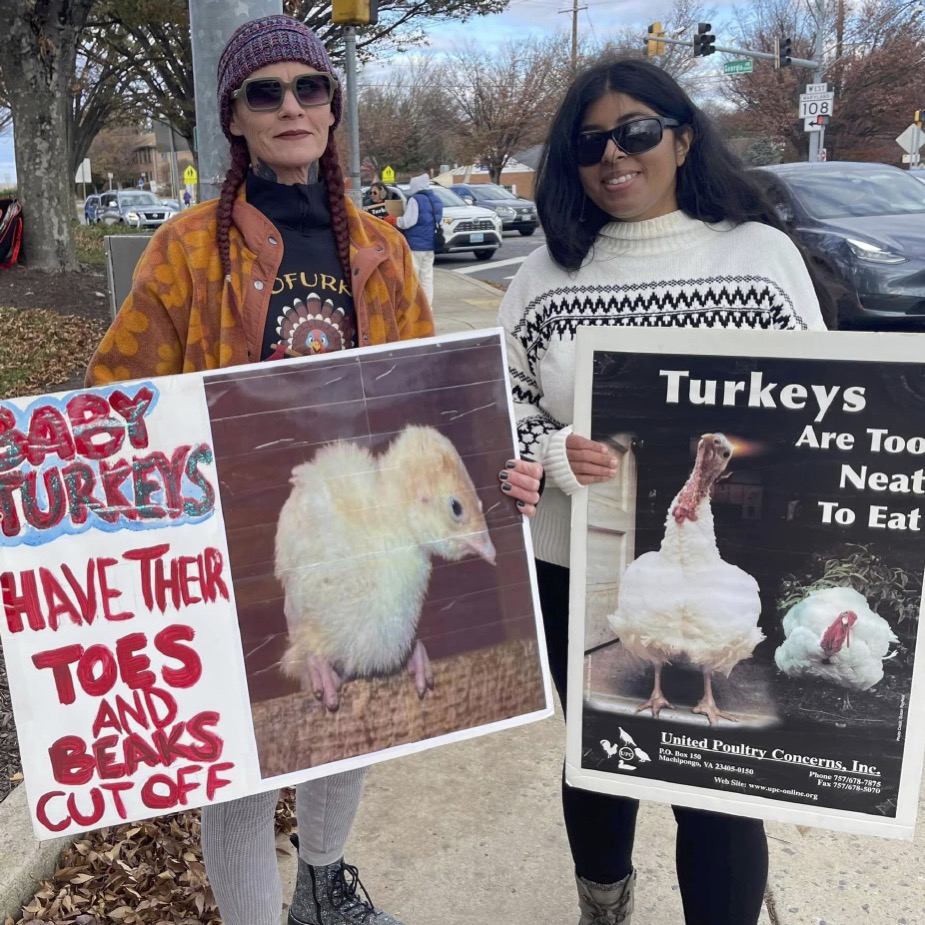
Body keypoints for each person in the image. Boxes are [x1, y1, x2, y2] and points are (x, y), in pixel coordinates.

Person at [85, 14, 541, 925]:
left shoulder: (380, 248)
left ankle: (322, 888)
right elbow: (115, 397)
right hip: (243, 533)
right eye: (266, 92)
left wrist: (497, 466)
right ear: (236, 117)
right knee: (246, 763)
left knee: (349, 720)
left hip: (361, 527)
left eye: (309, 88)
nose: (290, 106)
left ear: (332, 108)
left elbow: (428, 395)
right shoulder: (185, 249)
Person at [499, 56, 830, 925]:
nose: (613, 154)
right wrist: (553, 452)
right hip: (572, 561)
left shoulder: (757, 259)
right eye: (589, 143)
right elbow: (500, 403)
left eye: (636, 132)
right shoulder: (543, 277)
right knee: (600, 749)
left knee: (714, 776)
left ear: (681, 140)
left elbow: (820, 403)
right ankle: (602, 900)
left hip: (715, 563)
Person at [396, 173, 443, 305]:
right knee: (427, 278)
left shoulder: (415, 200)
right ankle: (427, 307)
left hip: (415, 245)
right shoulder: (436, 200)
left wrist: (395, 220)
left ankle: (412, 307)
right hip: (430, 244)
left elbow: (408, 222)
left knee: (412, 277)